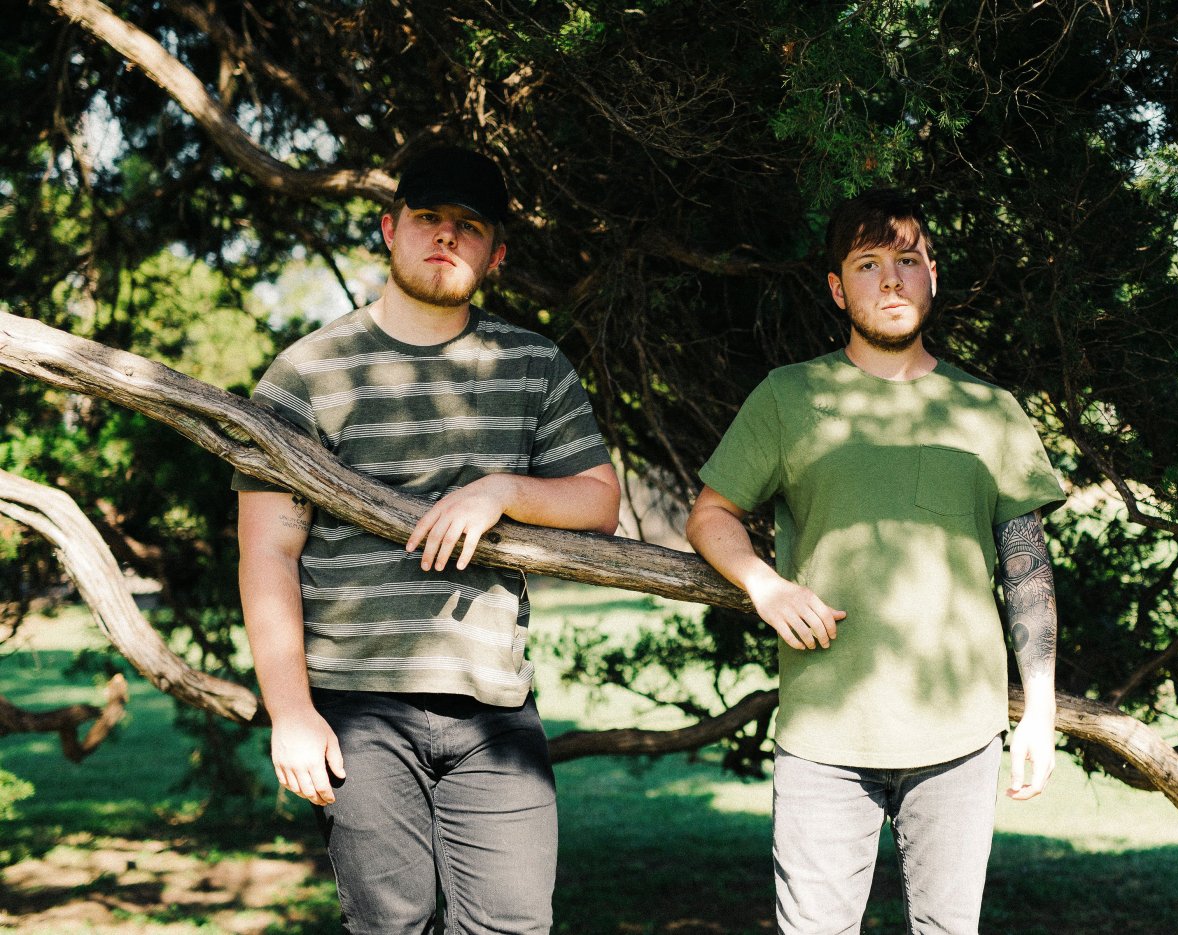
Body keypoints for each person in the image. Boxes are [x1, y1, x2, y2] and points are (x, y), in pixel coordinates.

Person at [233, 145, 621, 935]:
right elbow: (267, 551)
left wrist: (502, 489)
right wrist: (291, 710)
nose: (446, 235)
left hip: (496, 708)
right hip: (357, 707)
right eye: (428, 217)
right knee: (392, 926)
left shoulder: (533, 364)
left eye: (469, 225)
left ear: (497, 253)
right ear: (390, 229)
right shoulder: (308, 373)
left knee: (515, 926)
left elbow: (600, 501)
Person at [685, 188, 1064, 935]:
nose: (890, 279)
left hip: (960, 739)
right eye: (867, 264)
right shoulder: (788, 396)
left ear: (933, 276)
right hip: (824, 736)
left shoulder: (990, 409)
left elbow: (1027, 565)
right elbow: (711, 514)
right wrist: (764, 584)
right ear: (837, 288)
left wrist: (1041, 711)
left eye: (907, 260)